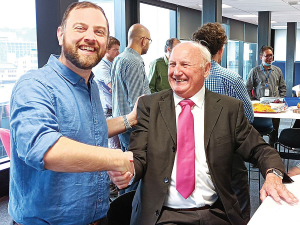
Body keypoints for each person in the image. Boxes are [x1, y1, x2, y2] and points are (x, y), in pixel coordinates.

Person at [109, 42, 298, 225]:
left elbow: (260, 149)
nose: (176, 72)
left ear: (206, 69)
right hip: (163, 215)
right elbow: (138, 155)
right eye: (172, 64)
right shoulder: (149, 106)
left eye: (185, 65)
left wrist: (273, 174)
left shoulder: (228, 109)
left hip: (215, 213)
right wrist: (129, 170)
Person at [9, 2, 134, 225]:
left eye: (99, 32)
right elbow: (43, 148)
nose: (90, 37)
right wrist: (114, 159)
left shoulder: (91, 86)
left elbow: (93, 130)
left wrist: (131, 118)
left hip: (97, 217)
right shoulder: (34, 84)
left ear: (106, 43)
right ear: (60, 34)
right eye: (80, 28)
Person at [192, 22, 253, 222]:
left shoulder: (189, 77)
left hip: (193, 148)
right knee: (239, 194)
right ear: (221, 49)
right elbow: (248, 118)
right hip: (228, 151)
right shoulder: (231, 78)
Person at [111, 23, 151, 152]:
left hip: (121, 124)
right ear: (144, 41)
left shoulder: (118, 58)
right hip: (133, 129)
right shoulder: (134, 61)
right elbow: (137, 102)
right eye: (149, 41)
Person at [246, 46, 287, 147]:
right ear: (261, 57)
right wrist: (252, 102)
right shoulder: (254, 71)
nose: (270, 58)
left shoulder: (277, 71)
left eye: (271, 56)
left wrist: (281, 100)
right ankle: (258, 149)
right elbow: (247, 88)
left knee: (274, 129)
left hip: (274, 106)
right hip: (260, 106)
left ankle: (272, 149)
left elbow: (283, 87)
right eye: (267, 56)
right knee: (257, 131)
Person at [93, 36, 121, 149]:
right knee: (114, 146)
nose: (118, 53)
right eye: (115, 50)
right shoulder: (101, 67)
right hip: (107, 111)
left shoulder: (113, 65)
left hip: (114, 108)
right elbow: (114, 87)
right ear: (106, 50)